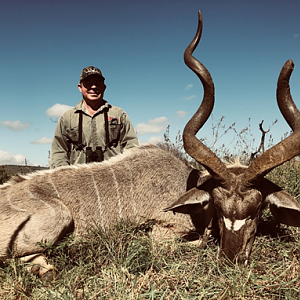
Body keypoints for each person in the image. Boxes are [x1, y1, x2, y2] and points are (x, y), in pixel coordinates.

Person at [49, 66, 138, 168]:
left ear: (104, 87)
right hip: (78, 180)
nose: (94, 87)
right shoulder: (67, 118)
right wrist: (63, 178)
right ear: (80, 87)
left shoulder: (119, 114)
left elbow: (131, 147)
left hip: (113, 178)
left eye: (98, 84)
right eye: (88, 84)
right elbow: (58, 152)